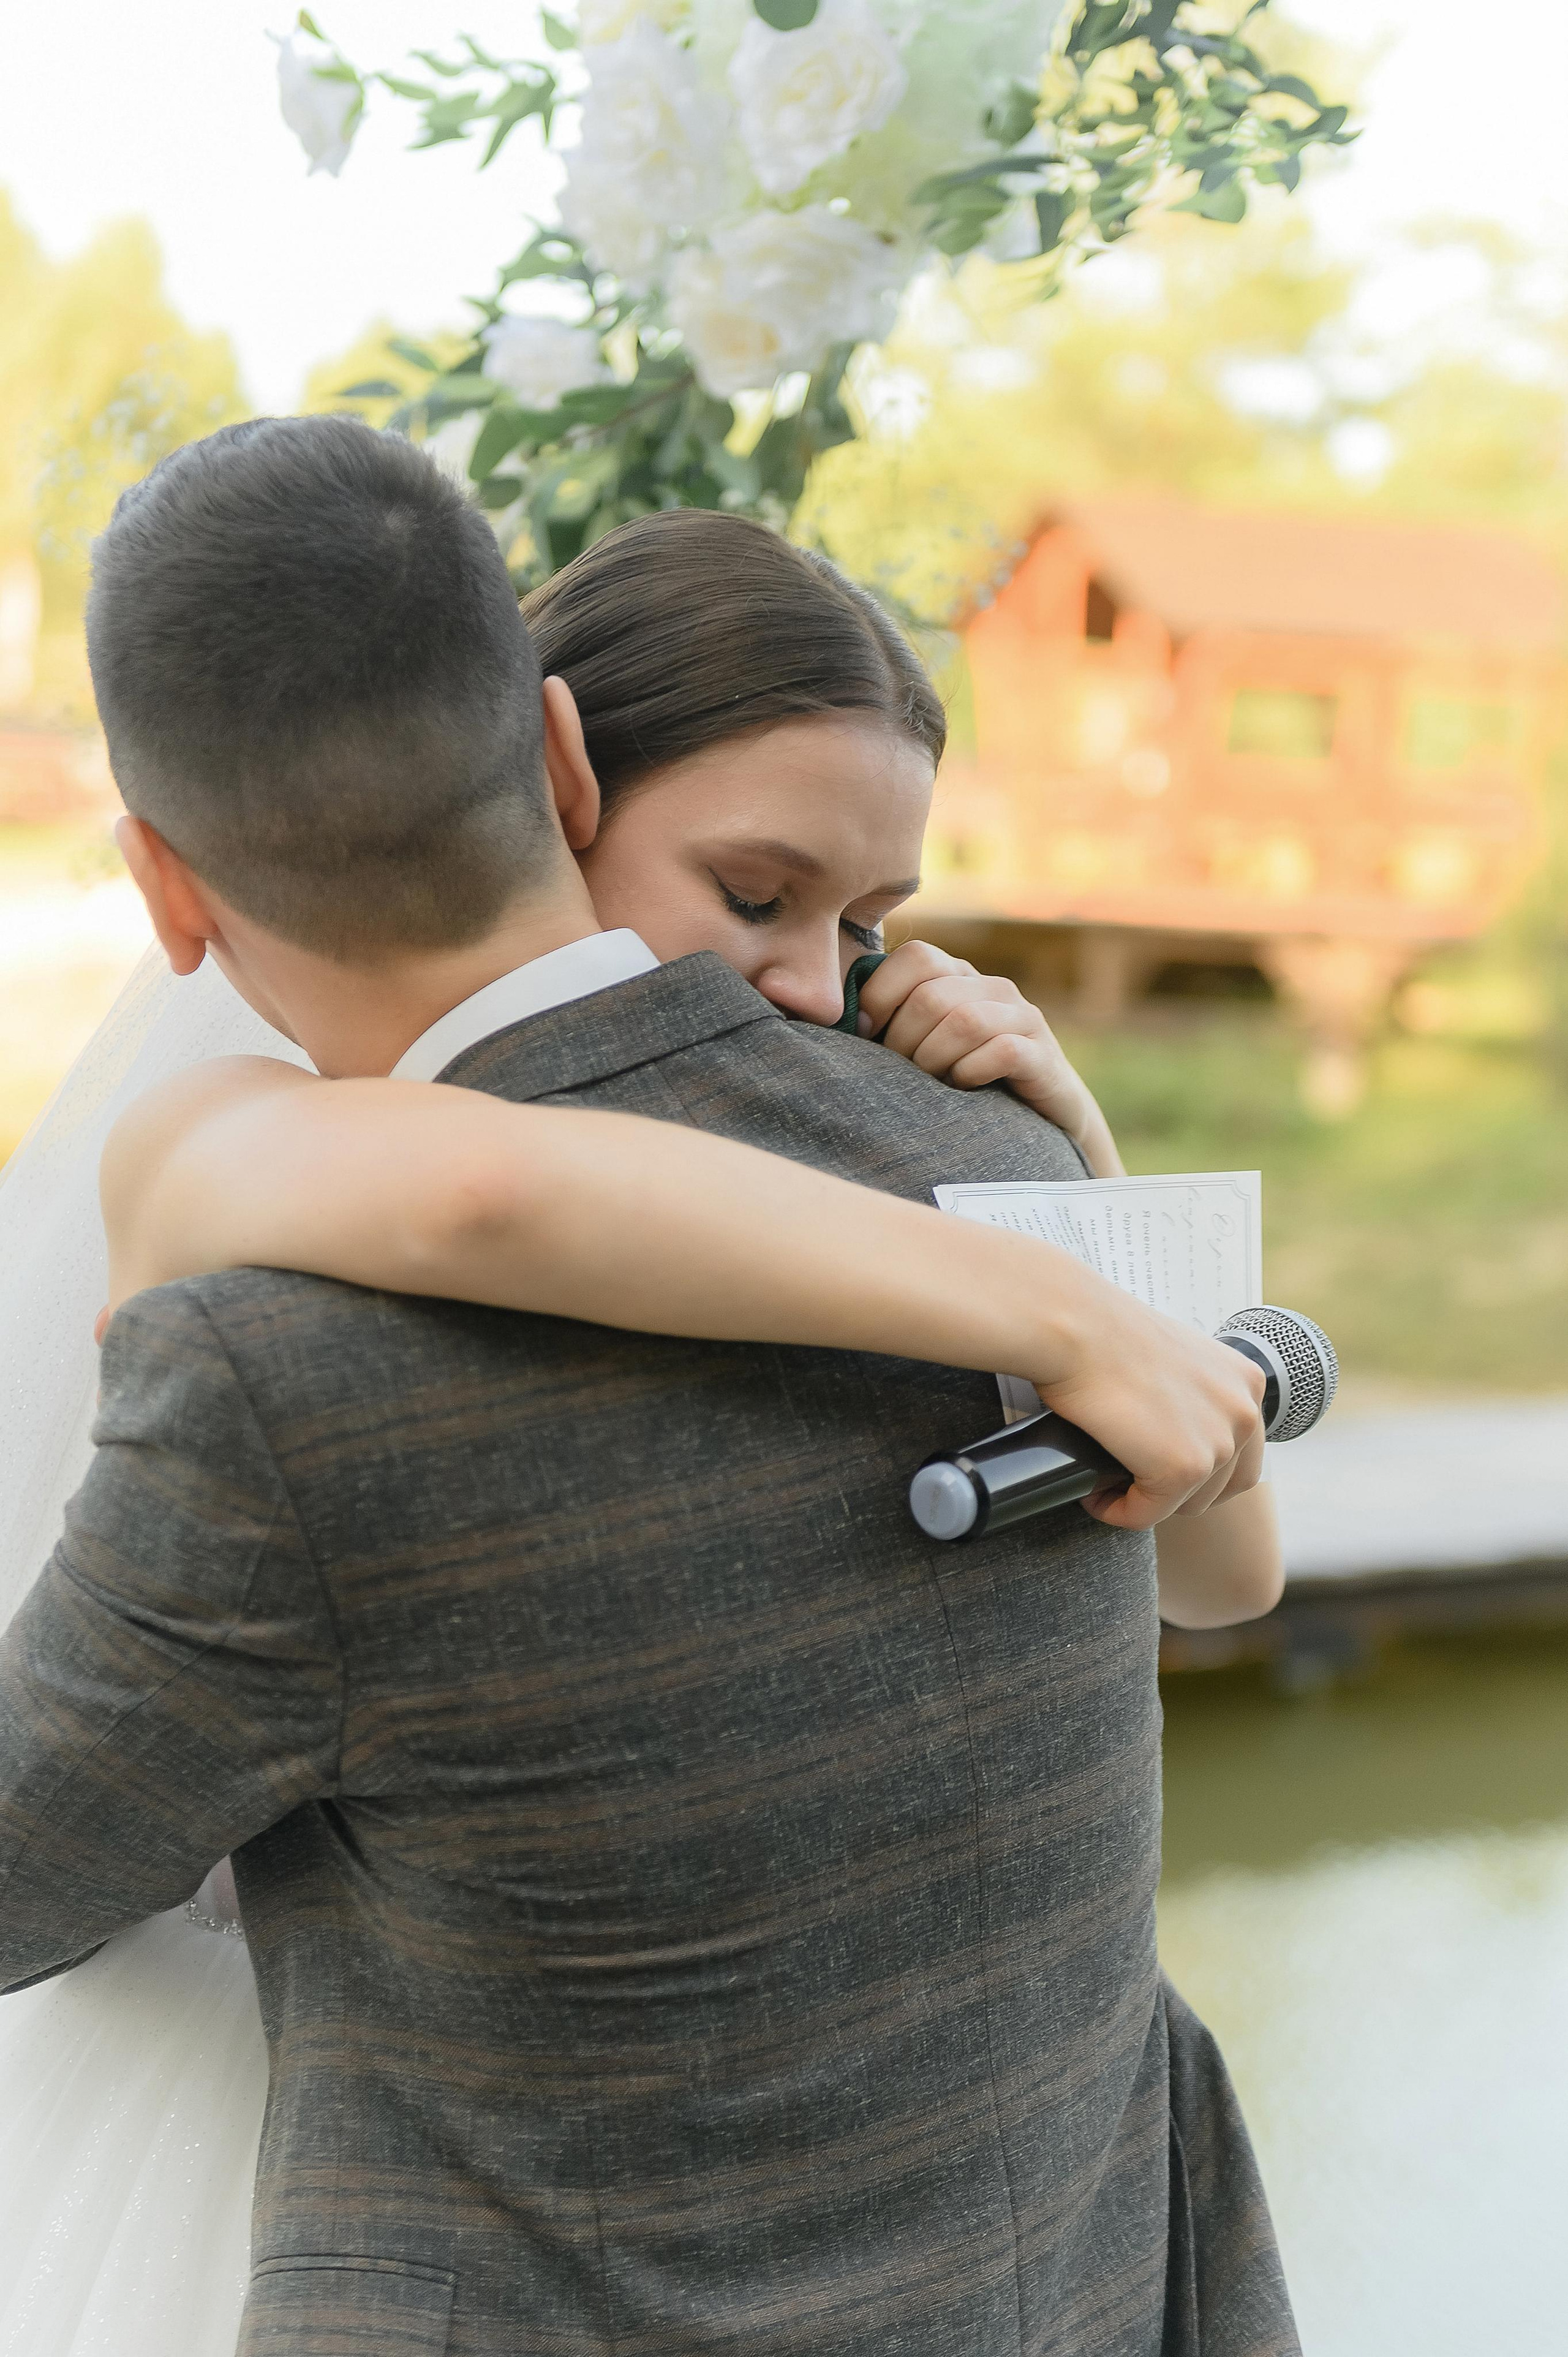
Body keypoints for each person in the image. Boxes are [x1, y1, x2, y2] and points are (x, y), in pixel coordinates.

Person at [0, 420, 1294, 2356]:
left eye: (850, 922)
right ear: (562, 756)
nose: (817, 977)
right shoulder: (998, 1171)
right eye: (760, 891)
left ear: (166, 894)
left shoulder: (266, 1347)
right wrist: (1059, 1266)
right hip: (1070, 2286)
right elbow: (496, 1186)